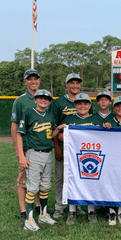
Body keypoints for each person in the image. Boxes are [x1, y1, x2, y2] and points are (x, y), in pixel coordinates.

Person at [51, 93, 103, 225]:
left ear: (90, 105)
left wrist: (103, 128)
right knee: (72, 181)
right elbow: (58, 136)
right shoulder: (69, 119)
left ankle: (91, 211)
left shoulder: (96, 118)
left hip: (92, 156)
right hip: (74, 157)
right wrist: (63, 130)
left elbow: (105, 137)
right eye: (79, 103)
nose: (82, 106)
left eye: (85, 103)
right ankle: (72, 210)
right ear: (75, 105)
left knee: (91, 181)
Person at [16, 89, 59, 231]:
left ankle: (43, 214)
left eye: (46, 99)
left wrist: (58, 130)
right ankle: (28, 220)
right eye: (40, 98)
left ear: (50, 102)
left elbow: (50, 133)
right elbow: (20, 134)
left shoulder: (51, 115)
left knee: (45, 186)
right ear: (35, 100)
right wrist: (21, 156)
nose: (43, 100)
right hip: (33, 153)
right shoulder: (28, 113)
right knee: (32, 188)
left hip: (48, 153)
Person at [49, 72, 82, 218]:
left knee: (79, 177)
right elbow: (53, 126)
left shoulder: (84, 101)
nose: (75, 85)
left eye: (77, 83)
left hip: (80, 148)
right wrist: (56, 147)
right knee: (61, 178)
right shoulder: (58, 103)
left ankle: (77, 205)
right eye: (72, 83)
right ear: (67, 85)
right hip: (63, 146)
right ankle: (59, 206)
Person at [11, 68, 40, 221]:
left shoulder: (44, 98)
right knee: (23, 179)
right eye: (30, 79)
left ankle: (37, 205)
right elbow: (14, 126)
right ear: (25, 82)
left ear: (39, 80)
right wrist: (18, 150)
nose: (33, 81)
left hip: (41, 146)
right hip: (26, 146)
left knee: (38, 179)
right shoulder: (20, 101)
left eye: (35, 78)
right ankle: (23, 210)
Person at [101, 95, 121, 225]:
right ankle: (111, 212)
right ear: (113, 108)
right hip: (111, 159)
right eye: (118, 106)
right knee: (111, 183)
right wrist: (103, 127)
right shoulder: (108, 121)